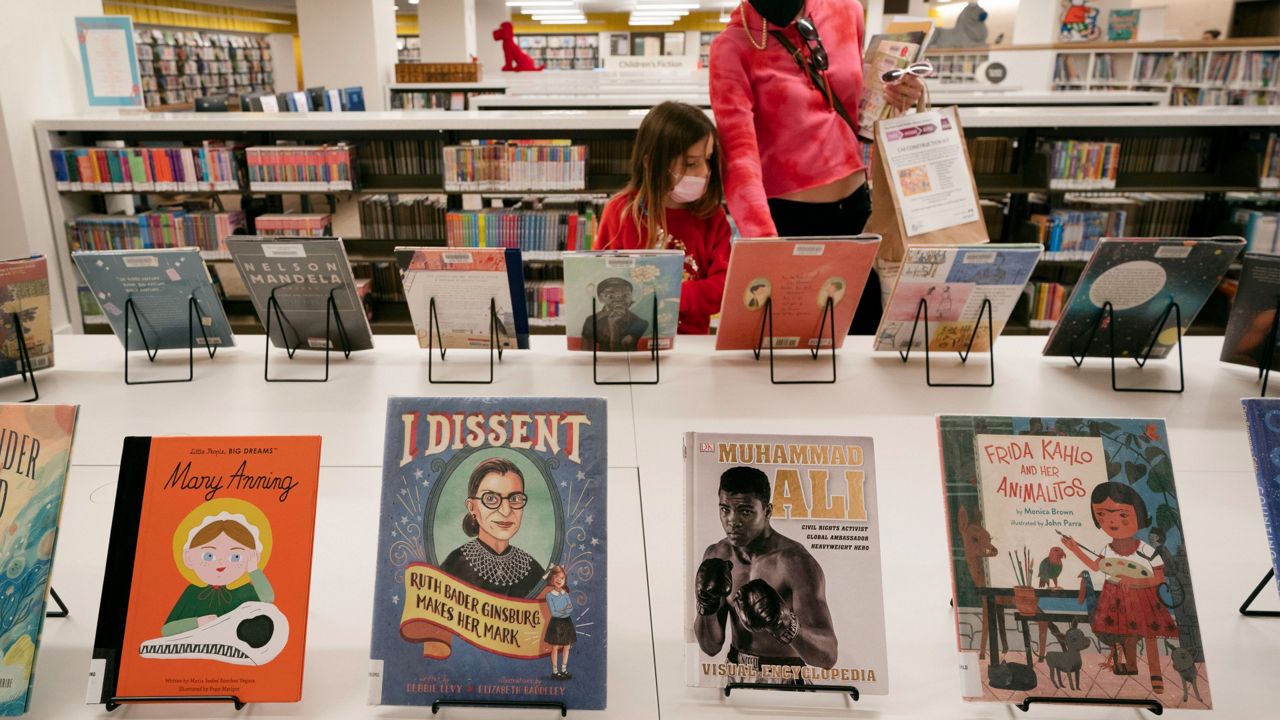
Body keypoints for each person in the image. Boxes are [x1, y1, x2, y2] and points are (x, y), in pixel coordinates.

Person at [710, 0, 925, 333]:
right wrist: (765, 246)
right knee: (794, 353)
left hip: (858, 214)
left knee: (861, 347)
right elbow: (739, 158)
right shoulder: (733, 45)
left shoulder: (846, 10)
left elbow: (859, 105)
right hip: (788, 224)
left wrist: (900, 96)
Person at [593, 101, 731, 335]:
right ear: (651, 163)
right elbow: (599, 277)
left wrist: (669, 296)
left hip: (692, 347)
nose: (705, 172)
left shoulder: (711, 216)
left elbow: (726, 286)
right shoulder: (620, 212)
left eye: (707, 160)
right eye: (691, 163)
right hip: (631, 343)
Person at [692, 466, 838, 678]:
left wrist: (784, 623)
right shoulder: (717, 555)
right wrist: (706, 606)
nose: (732, 521)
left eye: (745, 511)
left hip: (786, 675)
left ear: (768, 511)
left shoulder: (795, 562)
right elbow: (710, 647)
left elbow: (828, 657)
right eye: (725, 509)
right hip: (735, 670)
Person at [1060, 482, 1178, 694]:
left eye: (1122, 515)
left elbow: (1158, 579)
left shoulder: (1146, 550)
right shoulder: (1108, 548)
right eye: (1103, 515)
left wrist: (1134, 582)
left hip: (1143, 597)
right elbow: (1096, 566)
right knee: (1126, 634)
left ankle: (1155, 674)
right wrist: (1074, 548)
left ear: (1139, 517)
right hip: (1115, 596)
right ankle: (1131, 666)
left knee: (1149, 637)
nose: (1112, 521)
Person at [440, 457, 546, 598]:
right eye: (490, 499)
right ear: (472, 507)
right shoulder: (454, 566)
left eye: (515, 499)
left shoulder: (533, 570)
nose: (506, 511)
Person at [164, 512, 273, 636]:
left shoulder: (245, 590)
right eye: (208, 556)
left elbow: (267, 599)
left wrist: (253, 570)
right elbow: (167, 630)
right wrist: (198, 622)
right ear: (188, 557)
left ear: (253, 558)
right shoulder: (192, 592)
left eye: (235, 556)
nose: (221, 563)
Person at [580, 277, 648, 351]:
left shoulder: (639, 322)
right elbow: (587, 350)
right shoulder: (591, 320)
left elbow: (621, 350)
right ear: (600, 298)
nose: (618, 299)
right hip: (603, 361)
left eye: (625, 295)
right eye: (611, 295)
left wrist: (614, 326)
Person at [542, 565, 577, 680]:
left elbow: (570, 609)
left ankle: (564, 670)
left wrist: (561, 610)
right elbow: (554, 613)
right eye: (556, 577)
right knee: (555, 647)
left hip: (566, 622)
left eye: (561, 578)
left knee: (567, 646)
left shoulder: (565, 594)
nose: (559, 580)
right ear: (552, 579)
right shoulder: (549, 596)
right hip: (556, 624)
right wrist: (564, 610)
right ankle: (555, 671)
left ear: (564, 580)